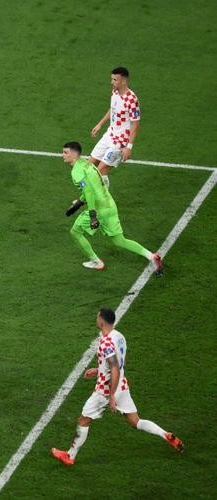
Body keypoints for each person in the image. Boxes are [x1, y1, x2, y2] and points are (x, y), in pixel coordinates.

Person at [51, 308, 184, 466]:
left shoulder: (106, 343)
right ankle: (165, 434)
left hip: (106, 390)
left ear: (102, 321)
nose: (96, 319)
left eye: (97, 317)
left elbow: (114, 367)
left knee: (84, 420)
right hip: (121, 384)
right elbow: (121, 362)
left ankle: (70, 456)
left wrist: (111, 395)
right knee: (135, 421)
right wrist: (99, 370)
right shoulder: (119, 337)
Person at [62, 141, 162, 274]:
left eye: (65, 152)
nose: (62, 155)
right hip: (110, 205)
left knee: (75, 232)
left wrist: (92, 215)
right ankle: (152, 256)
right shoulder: (88, 164)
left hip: (99, 210)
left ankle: (96, 262)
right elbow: (95, 187)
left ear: (74, 154)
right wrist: (78, 203)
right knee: (119, 240)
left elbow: (89, 192)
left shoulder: (76, 171)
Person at [88, 67, 140, 188]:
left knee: (101, 170)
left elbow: (136, 124)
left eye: (115, 80)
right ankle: (91, 195)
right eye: (112, 79)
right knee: (89, 166)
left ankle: (102, 198)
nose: (112, 82)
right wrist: (100, 124)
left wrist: (129, 147)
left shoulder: (131, 100)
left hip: (121, 141)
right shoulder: (115, 92)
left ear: (124, 81)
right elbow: (113, 109)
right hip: (109, 135)